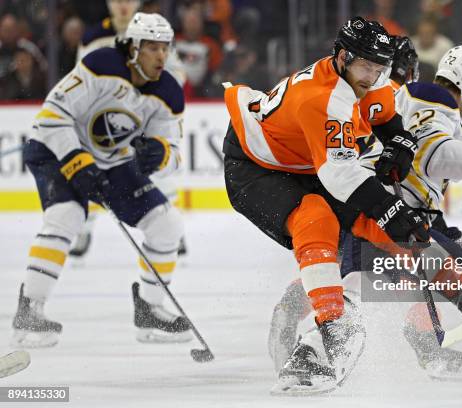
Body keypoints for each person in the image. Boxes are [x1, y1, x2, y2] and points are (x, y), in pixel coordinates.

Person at [268, 43, 462, 386]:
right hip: (390, 215)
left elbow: (422, 160)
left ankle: (307, 359)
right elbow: (429, 151)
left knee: (366, 287)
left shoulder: (408, 98)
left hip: (372, 211)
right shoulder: (432, 95)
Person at [224, 17, 430, 395]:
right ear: (342, 57)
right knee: (317, 219)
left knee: (382, 227)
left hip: (301, 159)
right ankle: (333, 325)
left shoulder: (369, 72)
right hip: (254, 164)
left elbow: (384, 117)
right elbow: (340, 178)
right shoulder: (324, 99)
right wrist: (390, 208)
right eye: (366, 66)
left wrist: (399, 142)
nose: (373, 75)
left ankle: (295, 306)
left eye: (379, 67)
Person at [11, 13, 191, 348]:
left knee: (167, 224)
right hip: (54, 149)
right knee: (67, 215)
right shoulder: (101, 64)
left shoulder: (168, 91)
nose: (161, 56)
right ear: (133, 48)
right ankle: (29, 310)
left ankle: (150, 308)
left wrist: (161, 155)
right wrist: (77, 161)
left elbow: (176, 154)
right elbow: (52, 115)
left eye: (165, 48)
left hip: (109, 162)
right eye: (152, 47)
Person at [72, 0, 187, 257]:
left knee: (155, 164)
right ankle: (82, 229)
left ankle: (173, 230)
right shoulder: (93, 37)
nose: (123, 5)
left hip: (145, 117)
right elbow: (80, 80)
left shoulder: (155, 33)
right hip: (103, 120)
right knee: (91, 170)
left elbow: (177, 73)